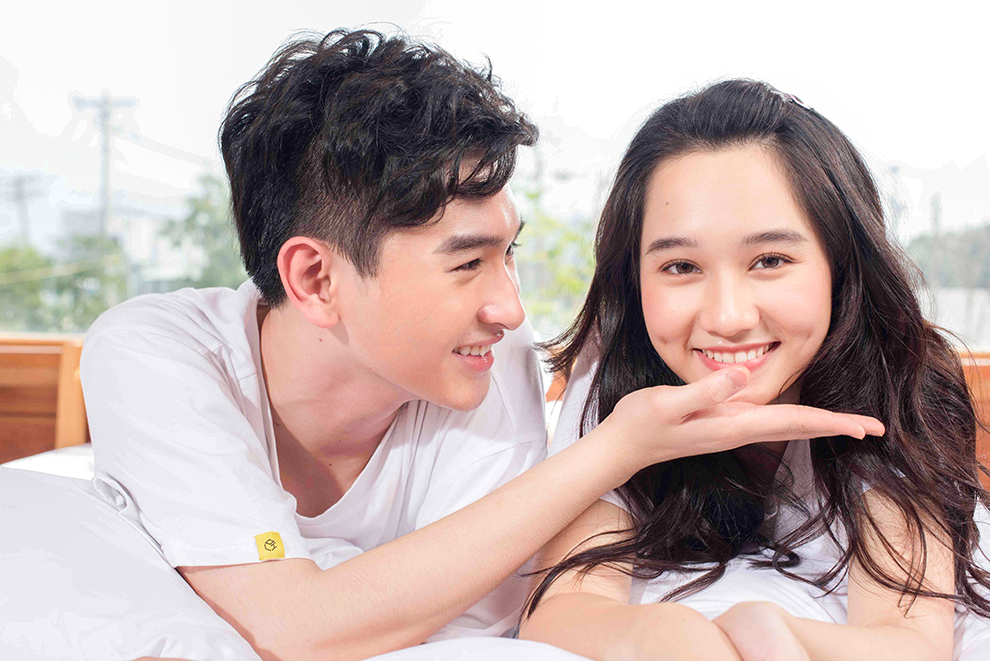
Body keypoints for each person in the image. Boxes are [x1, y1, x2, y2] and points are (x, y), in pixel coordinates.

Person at [80, 33, 883, 661]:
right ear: (316, 279)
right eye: (467, 263)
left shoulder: (487, 363)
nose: (510, 309)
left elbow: (480, 627)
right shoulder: (159, 356)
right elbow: (292, 627)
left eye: (509, 254)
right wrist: (616, 447)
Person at [518, 79, 990, 661]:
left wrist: (763, 628)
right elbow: (561, 609)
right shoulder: (619, 373)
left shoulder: (896, 380)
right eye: (681, 266)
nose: (728, 318)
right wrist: (672, 635)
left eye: (770, 260)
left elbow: (909, 641)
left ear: (841, 265)